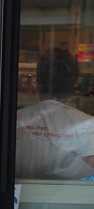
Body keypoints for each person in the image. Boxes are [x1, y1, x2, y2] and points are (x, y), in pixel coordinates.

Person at [16, 47, 94, 180]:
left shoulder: (16, 119)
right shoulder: (88, 125)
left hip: (16, 198)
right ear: (73, 85)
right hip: (69, 198)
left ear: (39, 82)